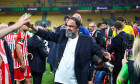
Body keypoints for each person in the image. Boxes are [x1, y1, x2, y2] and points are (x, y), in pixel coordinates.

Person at [31, 17, 110, 84]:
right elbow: (48, 35)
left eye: (71, 26)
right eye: (67, 26)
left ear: (78, 28)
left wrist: (105, 56)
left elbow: (98, 50)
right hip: (59, 79)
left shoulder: (87, 40)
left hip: (76, 80)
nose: (68, 28)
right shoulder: (62, 35)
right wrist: (33, 27)